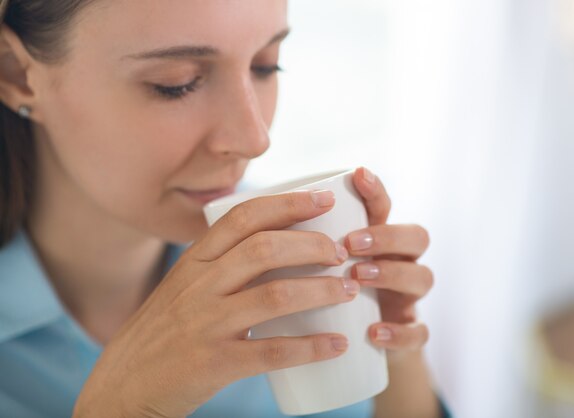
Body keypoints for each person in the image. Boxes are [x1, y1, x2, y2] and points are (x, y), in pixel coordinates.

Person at [0, 1, 451, 417]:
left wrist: (393, 353)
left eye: (265, 65)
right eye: (176, 84)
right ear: (17, 73)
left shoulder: (293, 265)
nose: (255, 139)